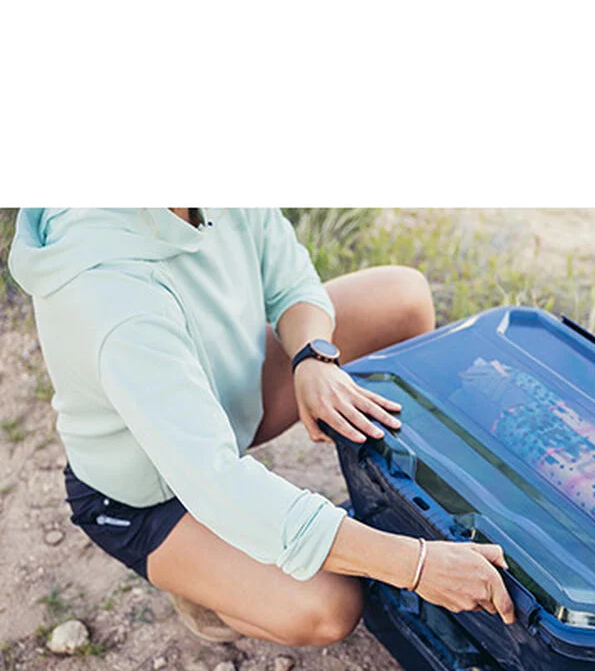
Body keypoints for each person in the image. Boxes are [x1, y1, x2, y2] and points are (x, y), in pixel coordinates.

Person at [9, 208, 515, 644]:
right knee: (328, 606)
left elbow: (289, 277)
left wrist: (312, 356)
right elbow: (216, 483)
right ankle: (205, 587)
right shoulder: (109, 294)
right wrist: (417, 565)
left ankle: (258, 544)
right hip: (151, 497)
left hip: (223, 404)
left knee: (400, 298)